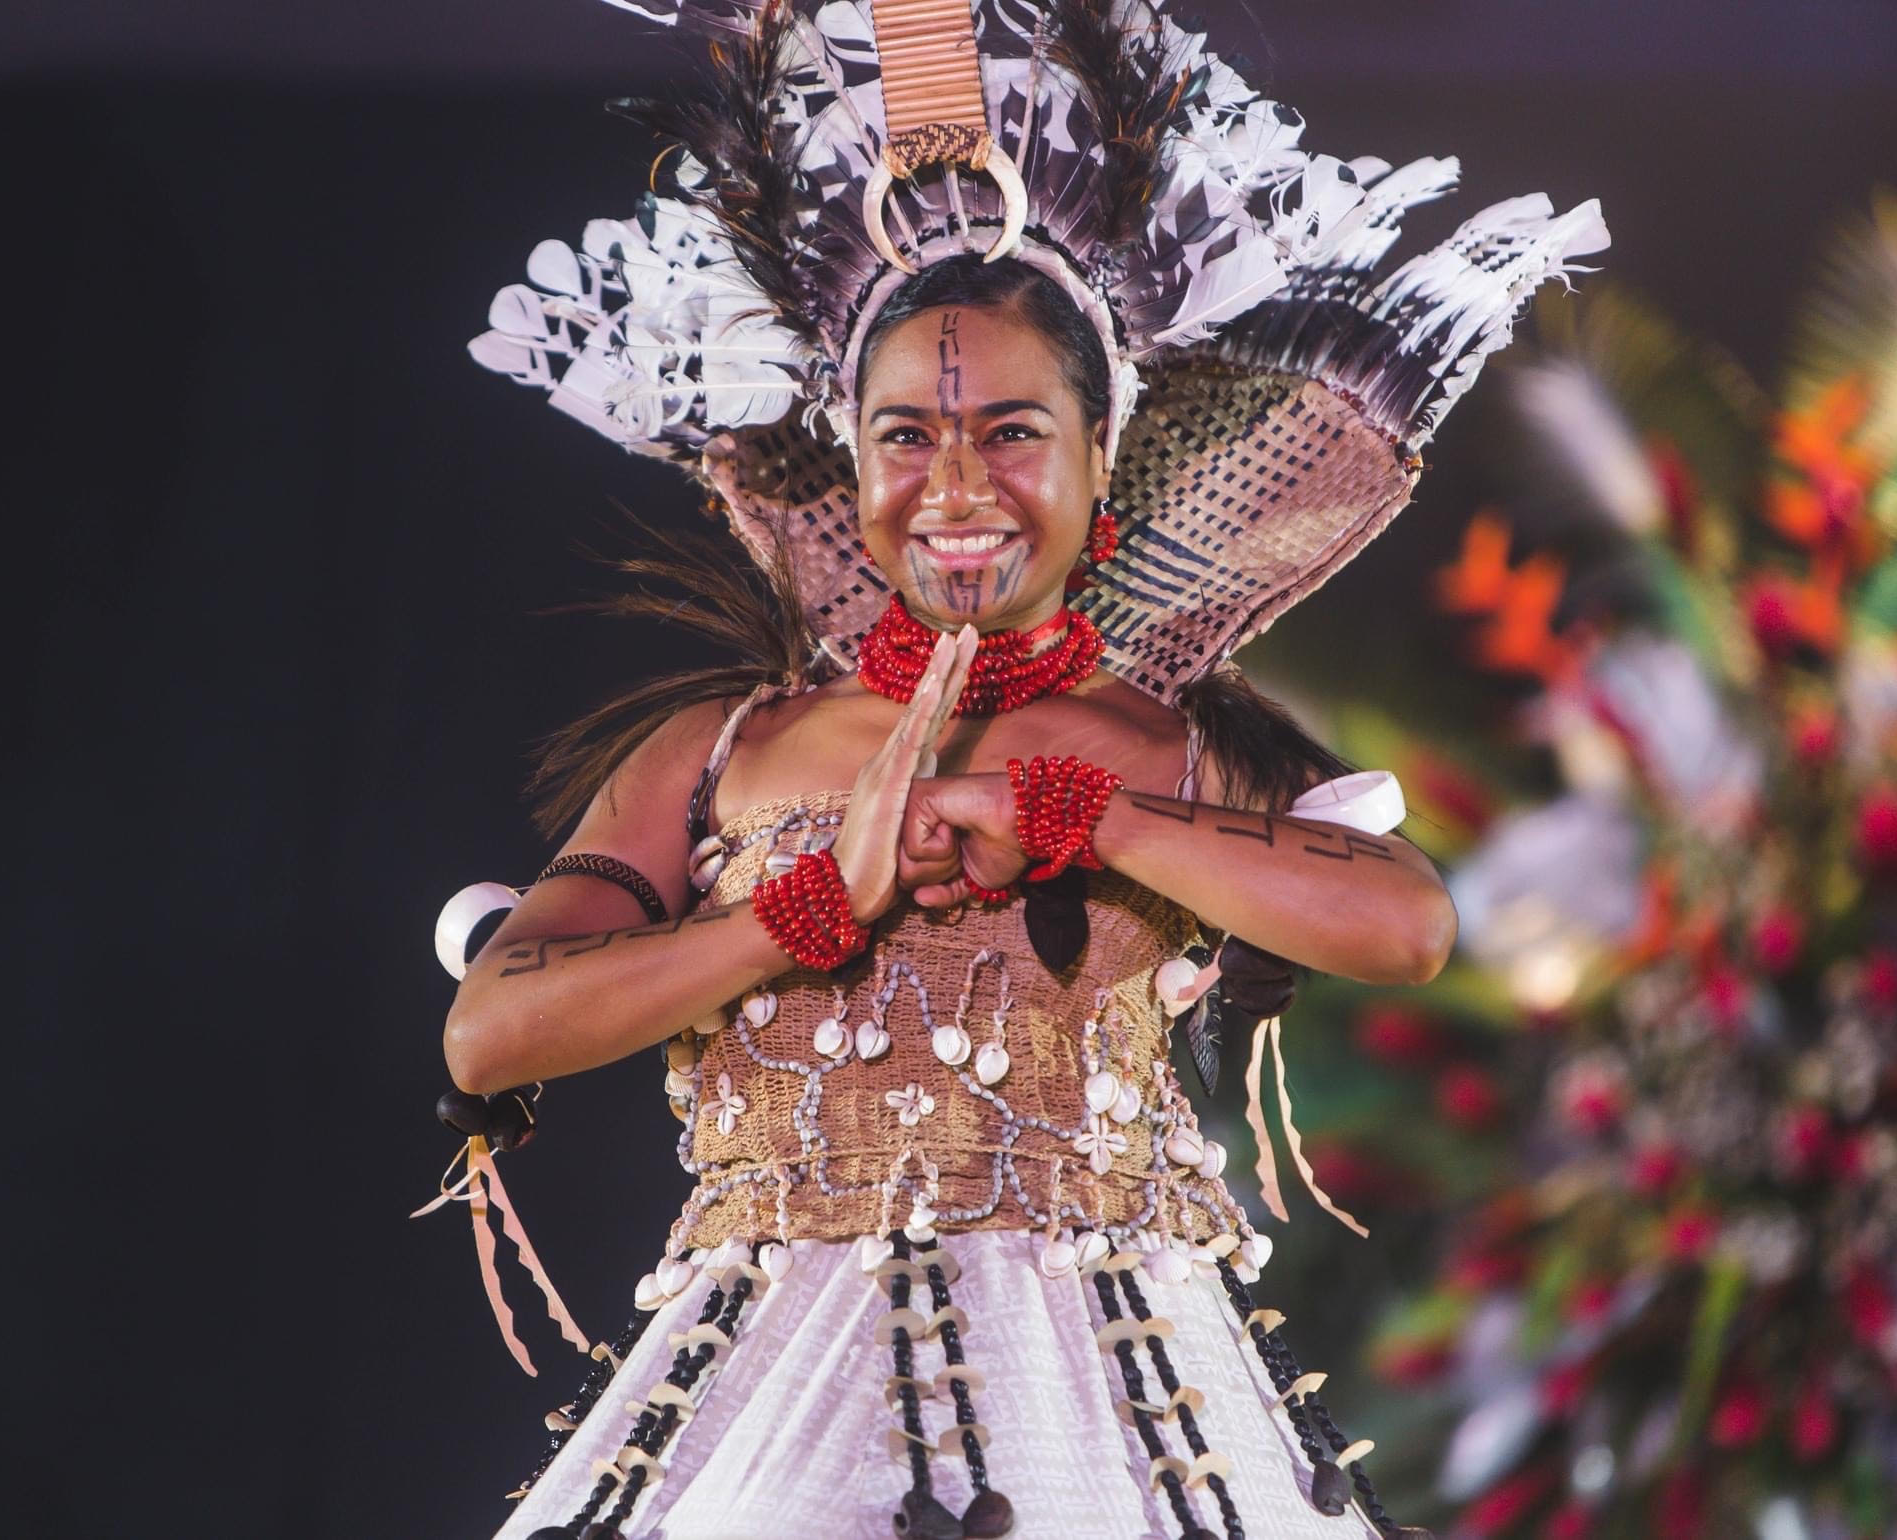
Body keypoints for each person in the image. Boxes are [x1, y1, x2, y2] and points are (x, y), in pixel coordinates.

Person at [438, 3, 1604, 1536]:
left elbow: (1404, 926)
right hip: (767, 1418)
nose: (958, 488)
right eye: (906, 436)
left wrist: (1080, 814)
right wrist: (797, 914)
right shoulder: (722, 748)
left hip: (1110, 1418)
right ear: (847, 454)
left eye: (1012, 431)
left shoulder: (1172, 745)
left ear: (1101, 450)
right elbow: (492, 1034)